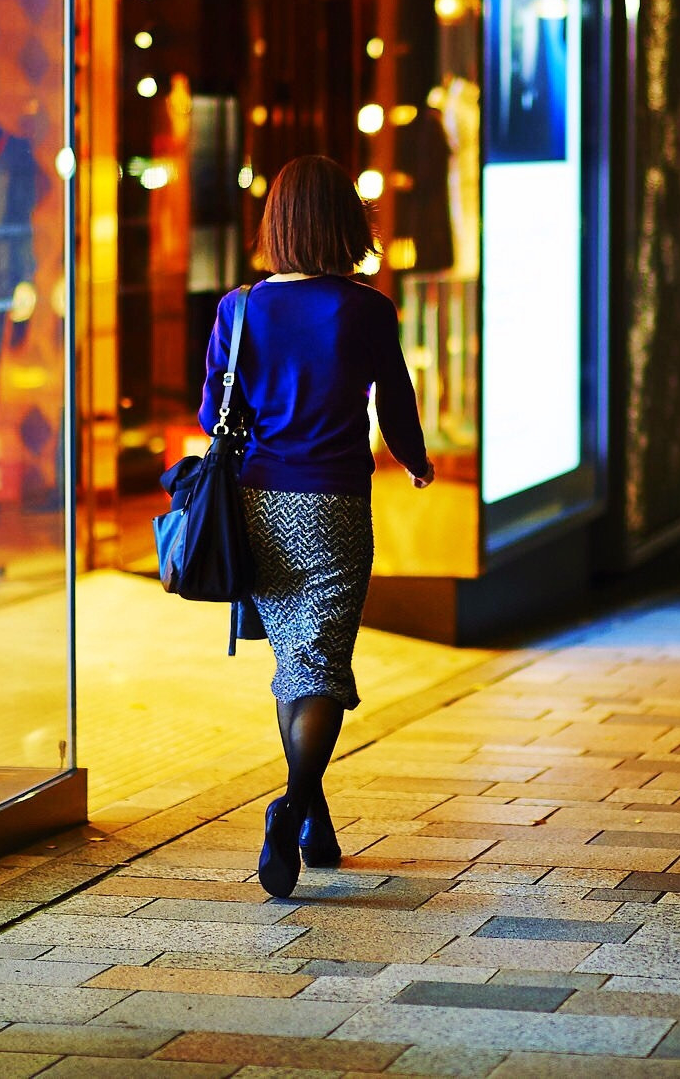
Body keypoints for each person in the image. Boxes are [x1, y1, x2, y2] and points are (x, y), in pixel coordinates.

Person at [199, 156, 435, 899]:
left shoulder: (238, 307)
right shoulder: (365, 309)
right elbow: (394, 402)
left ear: (276, 224)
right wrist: (417, 462)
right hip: (333, 504)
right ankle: (290, 809)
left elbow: (211, 413)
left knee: (294, 664)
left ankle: (317, 822)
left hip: (256, 502)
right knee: (323, 663)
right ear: (345, 222)